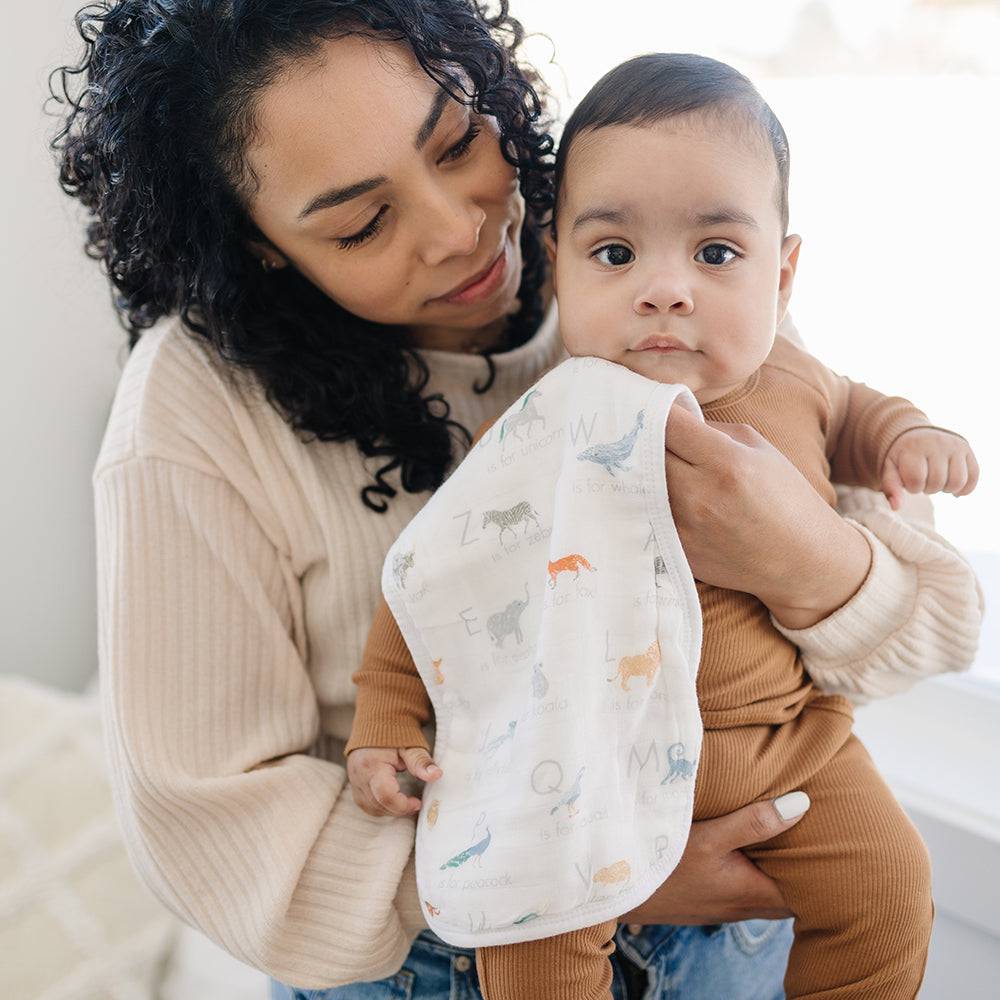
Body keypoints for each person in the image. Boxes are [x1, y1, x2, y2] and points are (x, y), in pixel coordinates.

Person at [49, 2, 982, 997]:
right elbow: (217, 839)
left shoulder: (660, 243)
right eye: (364, 222)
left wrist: (806, 560)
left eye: (459, 143)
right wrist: (584, 870)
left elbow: (930, 629)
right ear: (261, 245)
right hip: (445, 959)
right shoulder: (190, 418)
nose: (461, 232)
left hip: (740, 930)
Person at [343, 53, 981, 1000]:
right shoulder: (544, 428)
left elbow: (862, 418)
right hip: (585, 766)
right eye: (615, 254)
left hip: (786, 750)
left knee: (892, 886)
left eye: (717, 254)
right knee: (534, 937)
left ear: (785, 271)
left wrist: (913, 436)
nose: (665, 289)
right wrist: (385, 719)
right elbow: (437, 579)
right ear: (556, 264)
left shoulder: (802, 383)